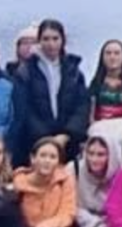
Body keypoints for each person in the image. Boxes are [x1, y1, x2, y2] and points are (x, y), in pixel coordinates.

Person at [11, 135, 95, 227]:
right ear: (33, 158)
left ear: (58, 161)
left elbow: (68, 212)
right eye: (43, 155)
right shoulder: (17, 185)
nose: (47, 161)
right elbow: (15, 219)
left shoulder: (64, 180)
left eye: (52, 157)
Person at [13, 20, 89, 158]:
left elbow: (82, 105)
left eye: (55, 38)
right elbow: (24, 108)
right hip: (36, 142)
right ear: (39, 41)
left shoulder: (74, 71)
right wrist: (46, 138)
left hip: (68, 143)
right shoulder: (25, 71)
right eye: (46, 39)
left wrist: (67, 135)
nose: (51, 44)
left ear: (63, 40)